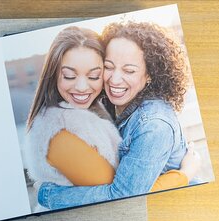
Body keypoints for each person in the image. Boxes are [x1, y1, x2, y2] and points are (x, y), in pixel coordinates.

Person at [25, 25, 197, 211]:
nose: (114, 79)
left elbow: (124, 197)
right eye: (108, 67)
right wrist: (185, 173)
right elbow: (124, 195)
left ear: (149, 74)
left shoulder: (153, 124)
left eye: (129, 71)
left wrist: (49, 195)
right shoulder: (87, 114)